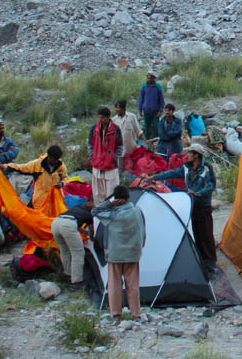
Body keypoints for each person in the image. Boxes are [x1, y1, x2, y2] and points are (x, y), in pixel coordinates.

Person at [145, 144, 217, 273]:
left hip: (203, 206)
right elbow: (171, 173)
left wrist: (198, 193)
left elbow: (211, 186)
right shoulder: (186, 168)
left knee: (206, 234)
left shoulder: (207, 169)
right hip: (191, 205)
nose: (186, 155)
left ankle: (211, 262)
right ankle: (201, 260)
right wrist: (154, 177)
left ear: (196, 155)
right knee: (195, 233)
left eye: (189, 153)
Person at [93, 185, 145, 321]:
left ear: (116, 198)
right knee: (133, 284)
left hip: (115, 253)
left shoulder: (112, 214)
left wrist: (109, 203)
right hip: (133, 253)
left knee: (115, 284)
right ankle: (136, 314)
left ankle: (116, 313)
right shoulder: (137, 211)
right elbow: (143, 230)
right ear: (128, 197)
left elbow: (95, 211)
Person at [3, 146, 69, 209]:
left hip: (54, 201)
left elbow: (66, 178)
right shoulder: (37, 164)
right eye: (54, 160)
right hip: (39, 201)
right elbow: (22, 167)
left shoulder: (61, 166)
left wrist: (62, 183)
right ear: (49, 157)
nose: (56, 162)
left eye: (57, 159)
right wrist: (5, 166)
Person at [50, 201, 93, 288]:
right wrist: (93, 238)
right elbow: (92, 230)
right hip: (68, 225)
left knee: (64, 251)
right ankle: (77, 281)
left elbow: (71, 219)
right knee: (78, 252)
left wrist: (83, 231)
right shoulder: (89, 215)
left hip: (56, 223)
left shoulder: (76, 208)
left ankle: (68, 275)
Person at [88, 107, 124, 203]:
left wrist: (114, 158)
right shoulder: (94, 129)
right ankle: (98, 215)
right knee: (98, 194)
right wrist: (93, 156)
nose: (101, 120)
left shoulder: (116, 130)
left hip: (111, 166)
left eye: (103, 117)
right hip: (97, 166)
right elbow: (90, 144)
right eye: (100, 117)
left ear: (108, 117)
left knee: (111, 194)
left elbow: (120, 146)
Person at [112, 100, 143, 171]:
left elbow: (139, 131)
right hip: (119, 149)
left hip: (131, 149)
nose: (117, 110)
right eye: (116, 108)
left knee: (131, 168)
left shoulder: (132, 117)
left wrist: (145, 141)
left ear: (124, 108)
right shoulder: (114, 120)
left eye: (119, 108)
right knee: (119, 168)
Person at [137, 73, 164, 140]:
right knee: (147, 127)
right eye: (148, 77)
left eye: (150, 78)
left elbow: (162, 100)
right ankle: (147, 141)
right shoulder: (144, 86)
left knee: (156, 126)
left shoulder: (158, 87)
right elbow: (141, 98)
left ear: (154, 78)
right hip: (146, 111)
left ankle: (155, 140)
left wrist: (160, 110)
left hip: (155, 111)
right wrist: (140, 109)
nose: (149, 79)